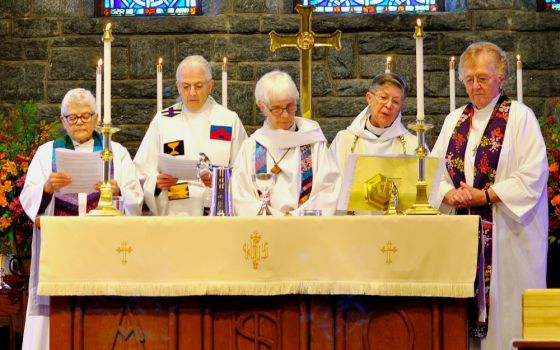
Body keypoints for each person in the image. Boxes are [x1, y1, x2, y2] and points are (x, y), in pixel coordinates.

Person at [429, 42, 548, 350]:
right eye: (469, 79)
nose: (475, 85)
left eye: (482, 77)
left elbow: (532, 175)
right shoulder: (454, 120)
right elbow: (434, 171)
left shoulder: (521, 118)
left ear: (502, 77)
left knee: (506, 316)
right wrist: (449, 193)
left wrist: (485, 196)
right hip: (463, 233)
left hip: (508, 238)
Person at [19, 88, 143, 349]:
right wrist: (47, 188)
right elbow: (29, 196)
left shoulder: (115, 152)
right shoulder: (47, 152)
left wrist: (117, 189)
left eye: (85, 116)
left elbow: (135, 195)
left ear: (96, 118)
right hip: (62, 247)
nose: (79, 122)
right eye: (72, 117)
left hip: (105, 246)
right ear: (63, 121)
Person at [134, 55, 247, 216]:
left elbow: (244, 171)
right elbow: (141, 171)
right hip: (174, 211)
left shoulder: (228, 120)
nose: (192, 93)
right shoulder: (164, 119)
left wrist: (221, 181)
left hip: (215, 209)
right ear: (178, 86)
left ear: (210, 86)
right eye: (186, 86)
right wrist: (156, 183)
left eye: (198, 86)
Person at [231, 70, 340, 216]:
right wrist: (275, 217)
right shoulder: (251, 147)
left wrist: (295, 217)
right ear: (262, 106)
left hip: (306, 229)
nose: (285, 114)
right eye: (277, 109)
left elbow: (329, 189)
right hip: (265, 231)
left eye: (290, 106)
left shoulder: (314, 143)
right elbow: (240, 194)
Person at [329, 72, 418, 173]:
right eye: (383, 97)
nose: (389, 105)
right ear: (369, 98)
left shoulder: (414, 146)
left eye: (395, 101)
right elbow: (330, 182)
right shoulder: (344, 140)